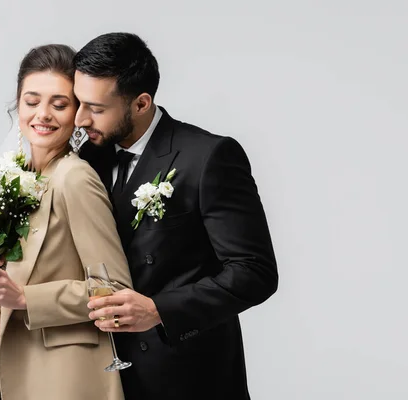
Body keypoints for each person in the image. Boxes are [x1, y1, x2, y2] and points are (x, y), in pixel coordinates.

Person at [75, 32, 278, 400]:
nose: (79, 118)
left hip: (188, 377)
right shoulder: (88, 159)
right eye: (77, 102)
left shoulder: (209, 156)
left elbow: (255, 272)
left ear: (141, 103)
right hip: (104, 377)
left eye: (96, 108)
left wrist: (159, 310)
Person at [0, 44, 132, 400]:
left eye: (59, 104)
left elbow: (114, 288)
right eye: (32, 101)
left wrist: (24, 297)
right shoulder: (12, 178)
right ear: (18, 105)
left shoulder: (75, 178)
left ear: (78, 113)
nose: (43, 114)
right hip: (13, 361)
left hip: (65, 374)